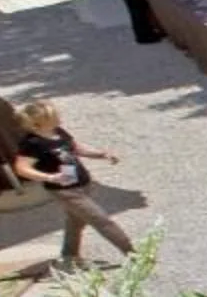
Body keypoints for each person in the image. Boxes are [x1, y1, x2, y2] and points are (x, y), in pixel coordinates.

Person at [10, 100, 134, 268]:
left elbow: (76, 148)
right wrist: (50, 177)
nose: (59, 117)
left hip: (84, 184)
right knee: (102, 221)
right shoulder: (32, 144)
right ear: (39, 123)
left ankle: (69, 256)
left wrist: (101, 154)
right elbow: (22, 168)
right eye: (54, 116)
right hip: (65, 191)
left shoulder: (58, 132)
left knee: (75, 221)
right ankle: (134, 254)